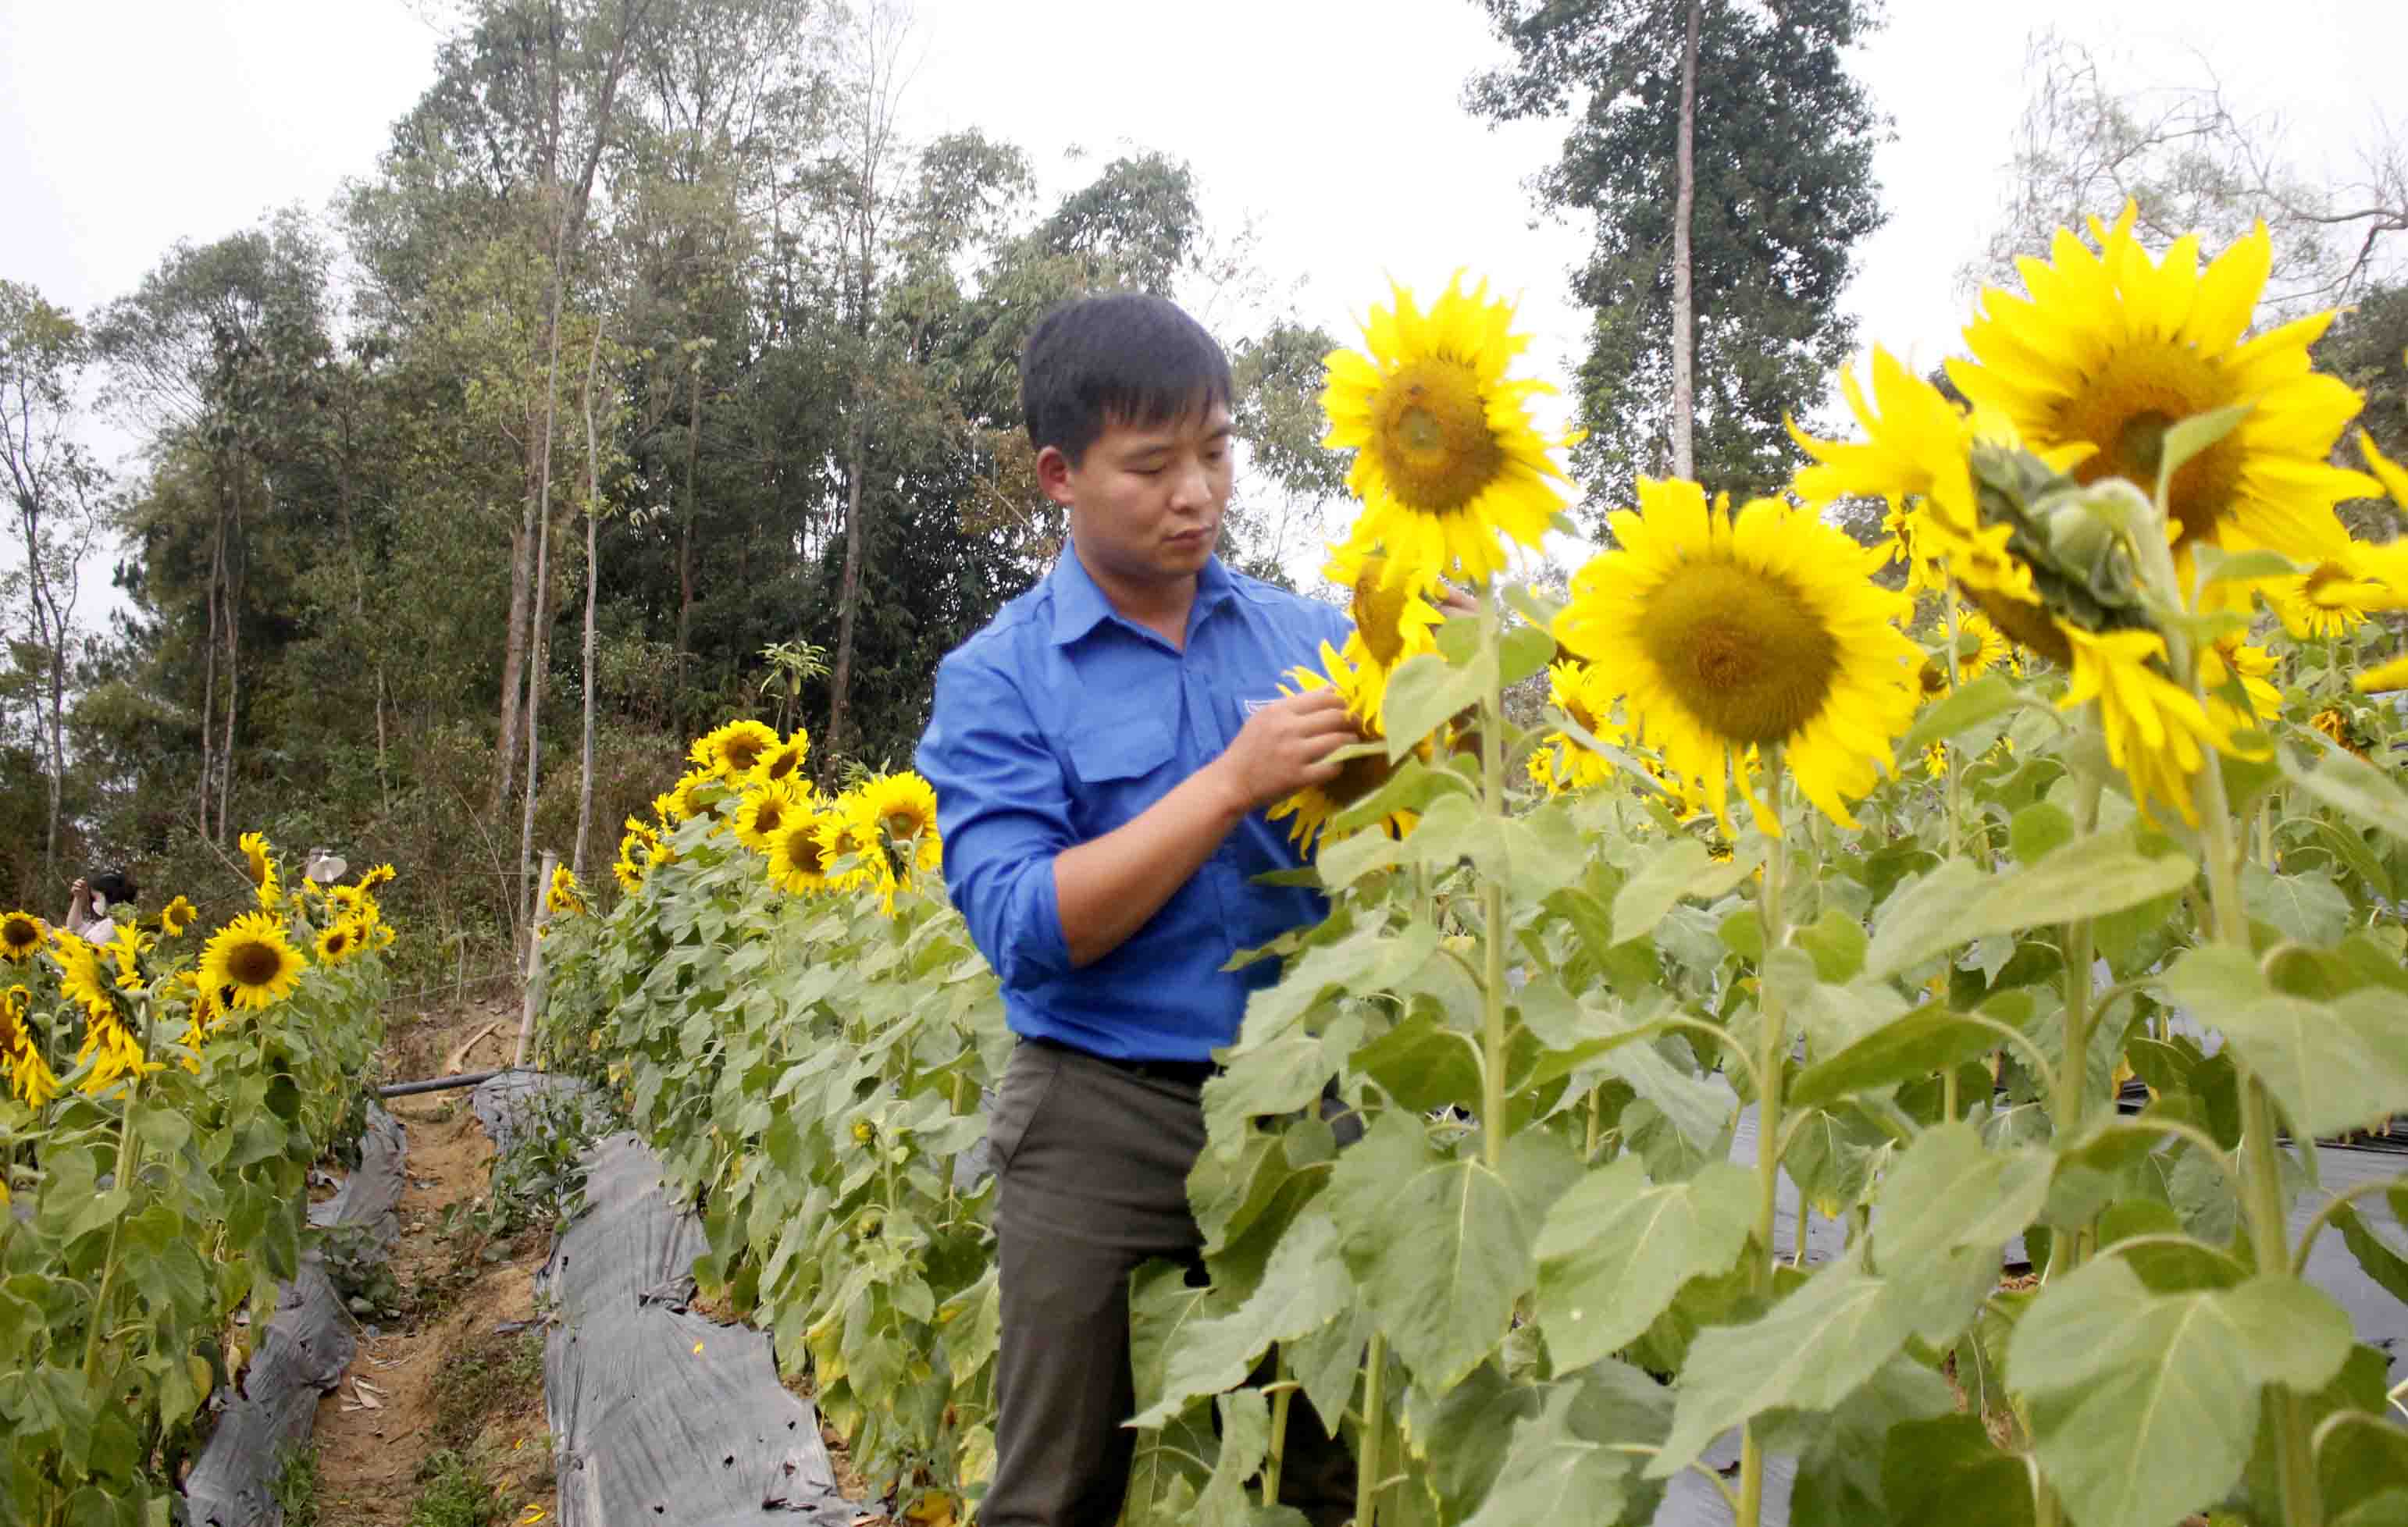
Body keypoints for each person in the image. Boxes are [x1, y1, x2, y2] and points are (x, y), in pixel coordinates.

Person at [916, 292, 1361, 1527]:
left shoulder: (1309, 637)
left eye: (1217, 451)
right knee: (1059, 1485)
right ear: (1060, 474)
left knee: (1320, 1468)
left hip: (1299, 1102)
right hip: (1100, 1110)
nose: (1199, 495)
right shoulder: (997, 678)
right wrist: (1232, 782)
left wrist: (1456, 703)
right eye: (1154, 465)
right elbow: (1028, 924)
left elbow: (1405, 826)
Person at [63, 869, 138, 943]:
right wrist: (78, 898)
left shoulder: (114, 926)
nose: (94, 904)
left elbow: (88, 945)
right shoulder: (109, 922)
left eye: (95, 898)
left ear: (109, 896)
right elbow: (74, 927)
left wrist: (62, 938)